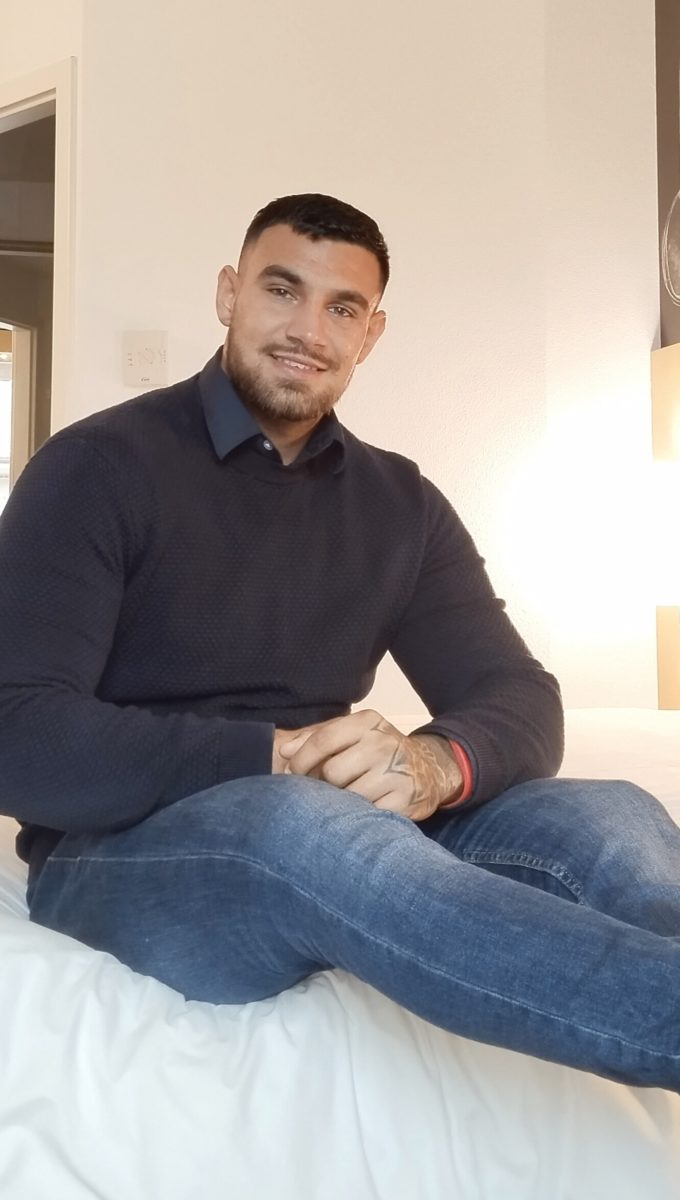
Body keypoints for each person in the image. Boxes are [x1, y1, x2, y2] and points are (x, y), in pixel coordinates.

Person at [0, 193, 678, 1094]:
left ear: (372, 334)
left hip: (330, 829)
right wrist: (275, 757)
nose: (309, 331)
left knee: (611, 813)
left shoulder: (399, 503)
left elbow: (519, 695)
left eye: (343, 308)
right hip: (121, 856)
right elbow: (18, 732)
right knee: (304, 824)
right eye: (282, 290)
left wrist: (435, 765)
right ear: (229, 293)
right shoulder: (96, 467)